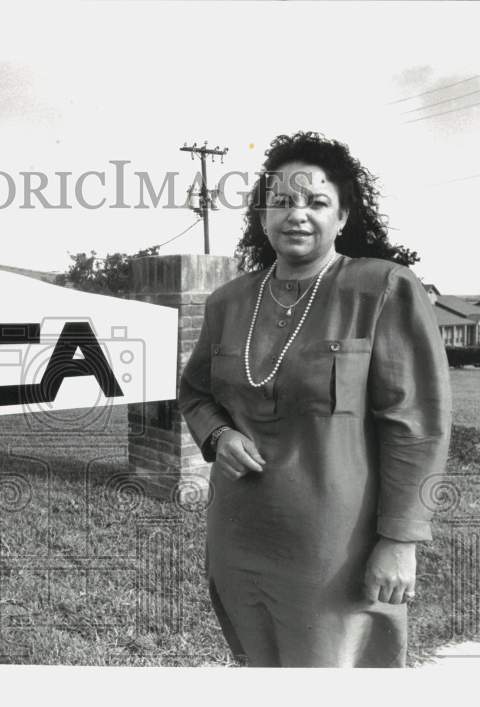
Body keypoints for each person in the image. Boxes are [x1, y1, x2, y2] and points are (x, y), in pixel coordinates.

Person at [178, 131, 451, 667]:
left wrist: (400, 541)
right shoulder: (229, 301)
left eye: (316, 202)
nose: (297, 214)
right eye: (282, 201)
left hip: (336, 549)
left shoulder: (382, 289)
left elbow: (416, 426)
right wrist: (218, 434)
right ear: (261, 218)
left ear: (343, 216)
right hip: (241, 537)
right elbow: (195, 392)